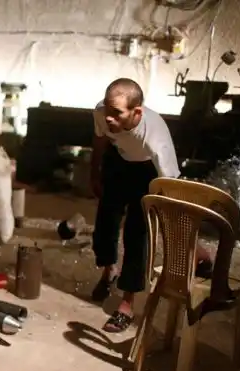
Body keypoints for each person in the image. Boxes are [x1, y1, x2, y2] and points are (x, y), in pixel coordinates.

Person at [90, 78, 212, 333]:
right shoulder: (103, 111)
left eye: (117, 113)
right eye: (108, 110)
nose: (109, 117)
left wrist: (185, 236)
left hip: (147, 169)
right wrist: (95, 174)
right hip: (118, 160)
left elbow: (173, 189)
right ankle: (109, 270)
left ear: (137, 112)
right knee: (105, 223)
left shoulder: (155, 140)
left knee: (137, 234)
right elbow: (100, 139)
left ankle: (127, 304)